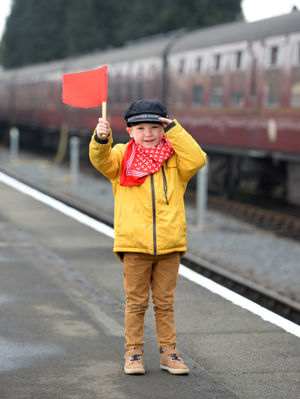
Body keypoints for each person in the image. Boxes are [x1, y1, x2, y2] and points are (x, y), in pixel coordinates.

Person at [89, 99, 206, 375]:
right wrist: (100, 139)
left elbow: (198, 158)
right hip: (134, 244)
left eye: (155, 127)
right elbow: (100, 159)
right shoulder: (120, 157)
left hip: (169, 245)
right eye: (140, 127)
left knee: (165, 303)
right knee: (136, 303)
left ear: (163, 129)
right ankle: (133, 353)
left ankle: (170, 353)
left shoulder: (176, 159)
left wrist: (175, 129)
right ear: (129, 131)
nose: (148, 133)